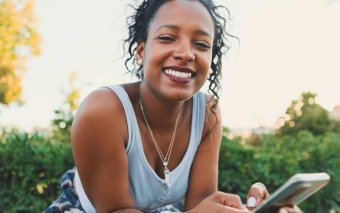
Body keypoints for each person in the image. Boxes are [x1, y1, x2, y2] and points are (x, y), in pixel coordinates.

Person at [45, 0, 301, 212]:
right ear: (141, 51)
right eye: (167, 38)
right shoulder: (103, 110)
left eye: (201, 44)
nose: (186, 53)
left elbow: (200, 203)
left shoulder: (207, 114)